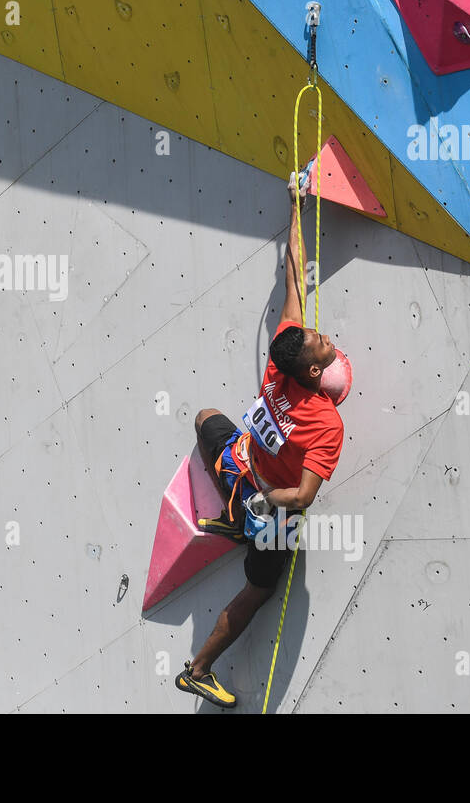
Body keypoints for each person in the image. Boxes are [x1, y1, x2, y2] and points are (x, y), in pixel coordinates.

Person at [175, 169, 345, 709]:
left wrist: (297, 204)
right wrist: (265, 501)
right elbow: (303, 498)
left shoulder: (283, 353)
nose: (321, 337)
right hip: (269, 503)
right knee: (258, 589)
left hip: (240, 464)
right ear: (315, 375)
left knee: (205, 417)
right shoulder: (325, 423)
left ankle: (232, 511)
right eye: (320, 344)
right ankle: (198, 669)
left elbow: (295, 275)